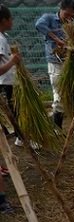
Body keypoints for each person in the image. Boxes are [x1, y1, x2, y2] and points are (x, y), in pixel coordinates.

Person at [35, 0, 74, 136]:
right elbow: (39, 25)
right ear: (60, 9)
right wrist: (57, 39)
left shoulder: (70, 25)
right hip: (55, 64)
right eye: (67, 14)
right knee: (60, 95)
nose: (69, 18)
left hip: (69, 63)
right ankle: (56, 128)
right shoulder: (49, 18)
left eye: (73, 17)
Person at [0, 6, 21, 146]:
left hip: (8, 81)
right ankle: (21, 138)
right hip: (5, 82)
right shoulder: (0, 40)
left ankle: (19, 137)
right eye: (11, 18)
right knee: (15, 111)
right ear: (4, 20)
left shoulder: (3, 37)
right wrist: (13, 61)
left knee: (14, 110)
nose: (12, 21)